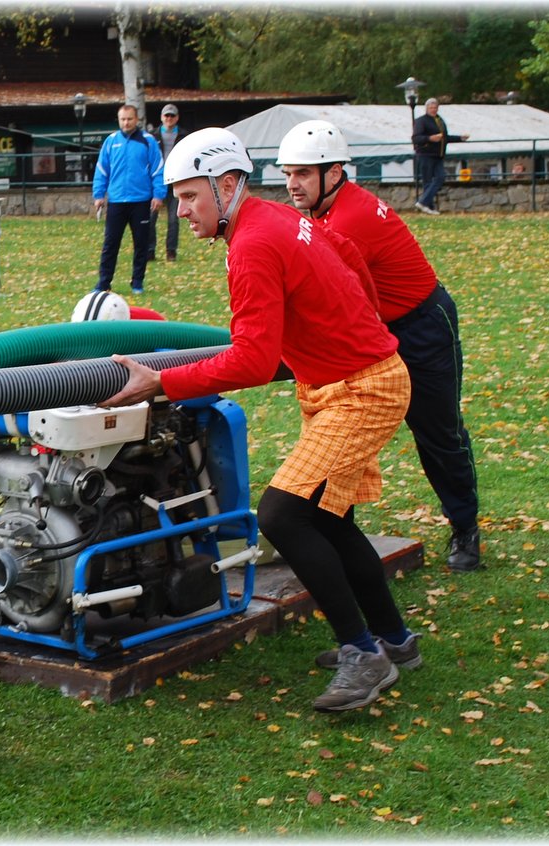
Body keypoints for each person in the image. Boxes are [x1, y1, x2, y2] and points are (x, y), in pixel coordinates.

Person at [100, 128, 417, 713]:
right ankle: (394, 641)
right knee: (329, 515)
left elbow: (252, 358)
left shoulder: (251, 244)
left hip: (361, 390)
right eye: (177, 198)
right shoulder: (271, 218)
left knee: (282, 514)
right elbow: (344, 258)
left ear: (226, 186)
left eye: (190, 196)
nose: (181, 210)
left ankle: (362, 653)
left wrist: (160, 382)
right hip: (357, 377)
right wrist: (355, 325)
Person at [277, 119, 480, 574]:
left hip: (421, 326)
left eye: (303, 174)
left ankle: (466, 527)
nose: (292, 184)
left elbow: (324, 292)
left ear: (334, 174)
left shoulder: (349, 220)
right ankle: (330, 531)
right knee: (342, 432)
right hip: (376, 330)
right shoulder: (324, 211)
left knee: (439, 434)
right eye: (288, 173)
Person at [92, 104, 166, 295]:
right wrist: (99, 195)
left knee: (141, 243)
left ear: (137, 119)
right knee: (110, 244)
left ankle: (137, 283)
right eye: (122, 119)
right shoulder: (110, 141)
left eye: (129, 119)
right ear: (118, 120)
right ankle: (103, 283)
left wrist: (159, 194)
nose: (126, 122)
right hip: (116, 201)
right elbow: (102, 170)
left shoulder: (148, 141)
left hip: (141, 201)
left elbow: (158, 170)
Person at [411, 98, 469, 215]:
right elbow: (416, 138)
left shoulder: (439, 121)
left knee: (440, 177)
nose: (433, 109)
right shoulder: (421, 121)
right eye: (431, 108)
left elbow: (445, 137)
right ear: (427, 108)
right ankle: (428, 206)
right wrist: (429, 138)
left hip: (438, 155)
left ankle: (424, 203)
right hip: (425, 154)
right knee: (427, 181)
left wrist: (460, 138)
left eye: (435, 107)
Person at [149, 104, 188, 262]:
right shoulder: (152, 136)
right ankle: (149, 250)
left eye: (172, 116)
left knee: (174, 218)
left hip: (176, 180)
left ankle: (171, 251)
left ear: (177, 118)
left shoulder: (184, 136)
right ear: (161, 117)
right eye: (166, 116)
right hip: (157, 180)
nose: (169, 119)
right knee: (151, 218)